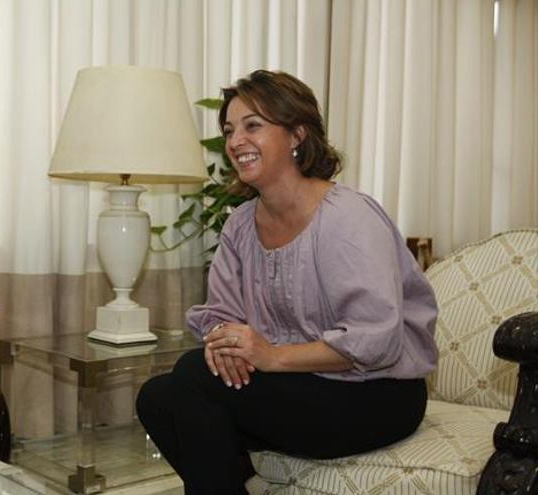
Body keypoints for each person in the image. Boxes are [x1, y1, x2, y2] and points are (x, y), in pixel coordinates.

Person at [136, 70, 439, 494]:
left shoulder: (348, 217)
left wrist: (272, 356)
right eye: (229, 130)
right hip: (300, 387)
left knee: (188, 379)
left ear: (297, 134)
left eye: (252, 126)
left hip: (378, 393)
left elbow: (376, 341)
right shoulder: (241, 225)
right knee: (157, 397)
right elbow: (220, 316)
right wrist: (227, 340)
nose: (235, 141)